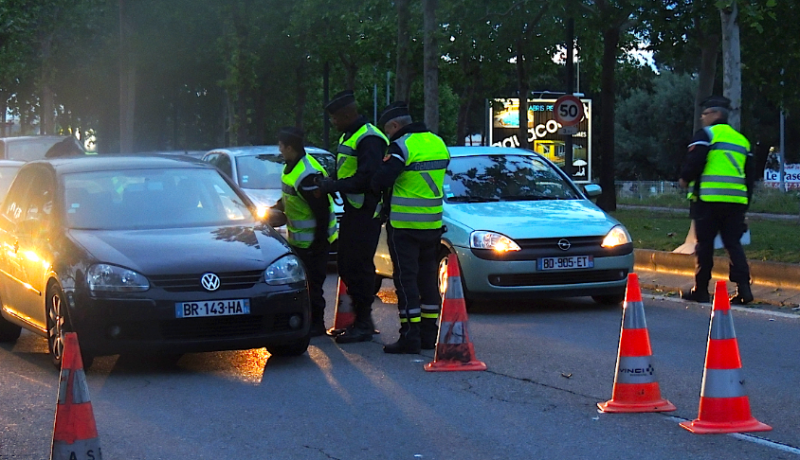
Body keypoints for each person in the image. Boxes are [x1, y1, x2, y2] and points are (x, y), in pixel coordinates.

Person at [371, 101, 449, 354]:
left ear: (395, 126)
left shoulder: (401, 146)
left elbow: (382, 179)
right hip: (432, 225)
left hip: (404, 226)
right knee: (428, 281)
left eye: (387, 130)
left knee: (406, 282)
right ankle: (429, 334)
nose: (387, 135)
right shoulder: (438, 142)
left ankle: (409, 336)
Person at [316, 90, 389, 344]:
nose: (334, 123)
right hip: (354, 211)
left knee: (358, 267)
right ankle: (361, 321)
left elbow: (368, 179)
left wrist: (333, 186)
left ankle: (364, 323)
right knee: (347, 265)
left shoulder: (369, 138)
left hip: (366, 212)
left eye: (336, 118)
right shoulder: (351, 134)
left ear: (347, 114)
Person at [678, 95, 755, 305]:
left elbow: (695, 161)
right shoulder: (741, 140)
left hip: (708, 200)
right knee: (733, 244)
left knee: (705, 246)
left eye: (705, 114)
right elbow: (750, 176)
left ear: (715, 114)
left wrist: (684, 179)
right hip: (736, 202)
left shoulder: (706, 135)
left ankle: (701, 290)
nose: (702, 118)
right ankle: (744, 289)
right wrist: (745, 202)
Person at [270, 127, 338, 337]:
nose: (279, 150)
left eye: (281, 146)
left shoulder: (308, 174)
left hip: (314, 241)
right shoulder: (291, 166)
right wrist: (277, 208)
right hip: (300, 240)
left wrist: (318, 242)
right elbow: (290, 195)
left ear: (290, 147)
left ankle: (317, 324)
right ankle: (307, 321)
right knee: (304, 283)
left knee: (314, 284)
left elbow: (322, 210)